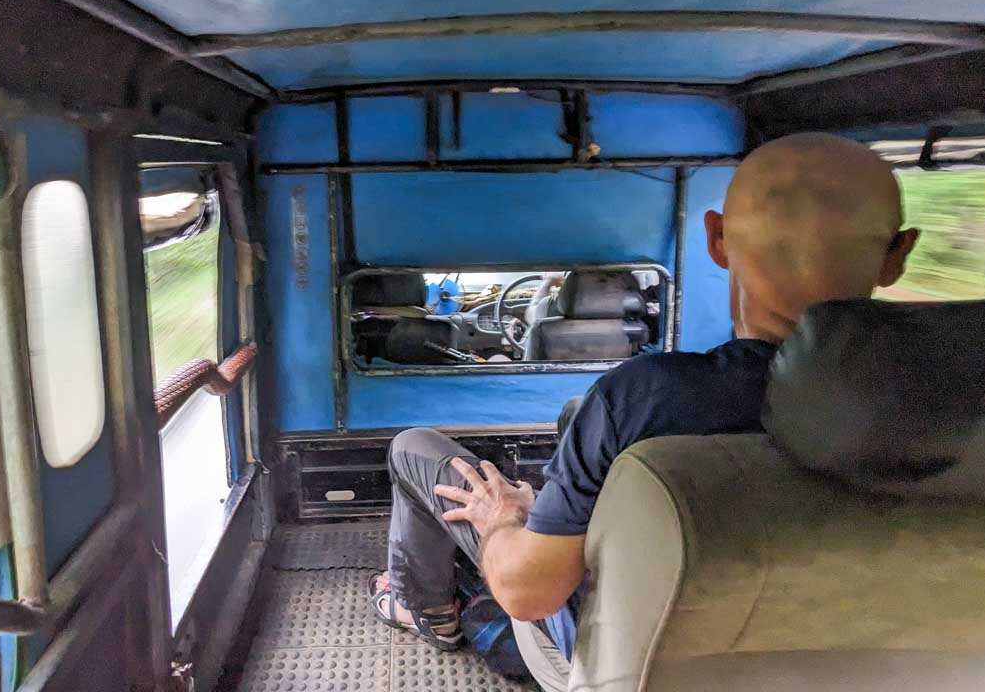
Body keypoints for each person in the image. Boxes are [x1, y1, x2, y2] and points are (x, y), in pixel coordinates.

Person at [367, 133, 920, 677]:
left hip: (626, 661)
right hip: (846, 663)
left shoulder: (644, 397)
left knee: (413, 447)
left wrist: (504, 517)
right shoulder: (941, 400)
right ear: (898, 256)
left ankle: (428, 611)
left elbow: (526, 594)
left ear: (717, 239)